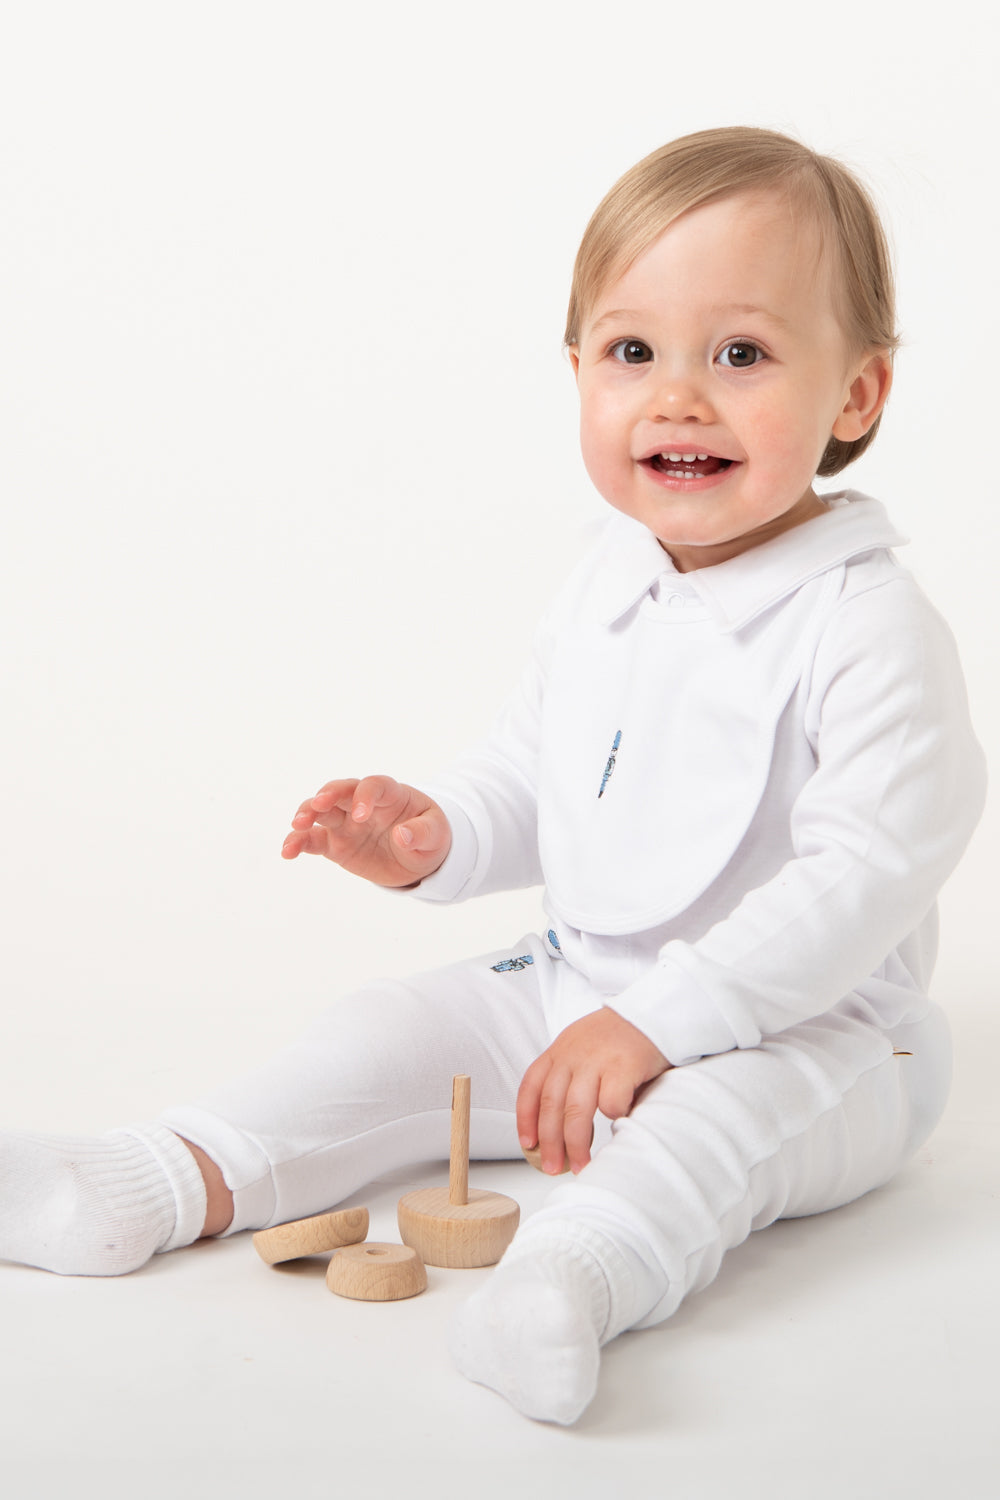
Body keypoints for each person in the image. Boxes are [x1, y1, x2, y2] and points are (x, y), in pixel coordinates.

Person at [0, 127, 986, 1426]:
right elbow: (547, 769)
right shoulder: (607, 583)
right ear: (577, 371)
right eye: (634, 352)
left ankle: (563, 1282)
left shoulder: (866, 623)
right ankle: (157, 1176)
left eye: (740, 354)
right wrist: (440, 834)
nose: (678, 397)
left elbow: (862, 879)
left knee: (711, 1131)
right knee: (386, 1033)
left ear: (856, 397)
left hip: (820, 1033)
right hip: (581, 981)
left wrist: (662, 1029)